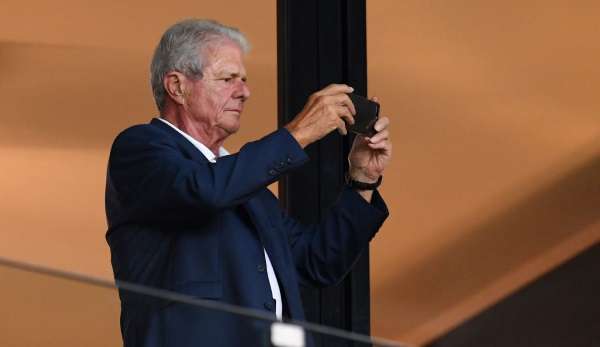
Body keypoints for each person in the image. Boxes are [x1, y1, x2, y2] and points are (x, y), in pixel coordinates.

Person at [105, 19, 392, 347]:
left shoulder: (250, 191)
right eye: (228, 79)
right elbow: (203, 191)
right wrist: (298, 133)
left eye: (243, 80)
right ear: (177, 86)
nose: (244, 92)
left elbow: (316, 263)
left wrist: (362, 180)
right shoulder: (140, 148)